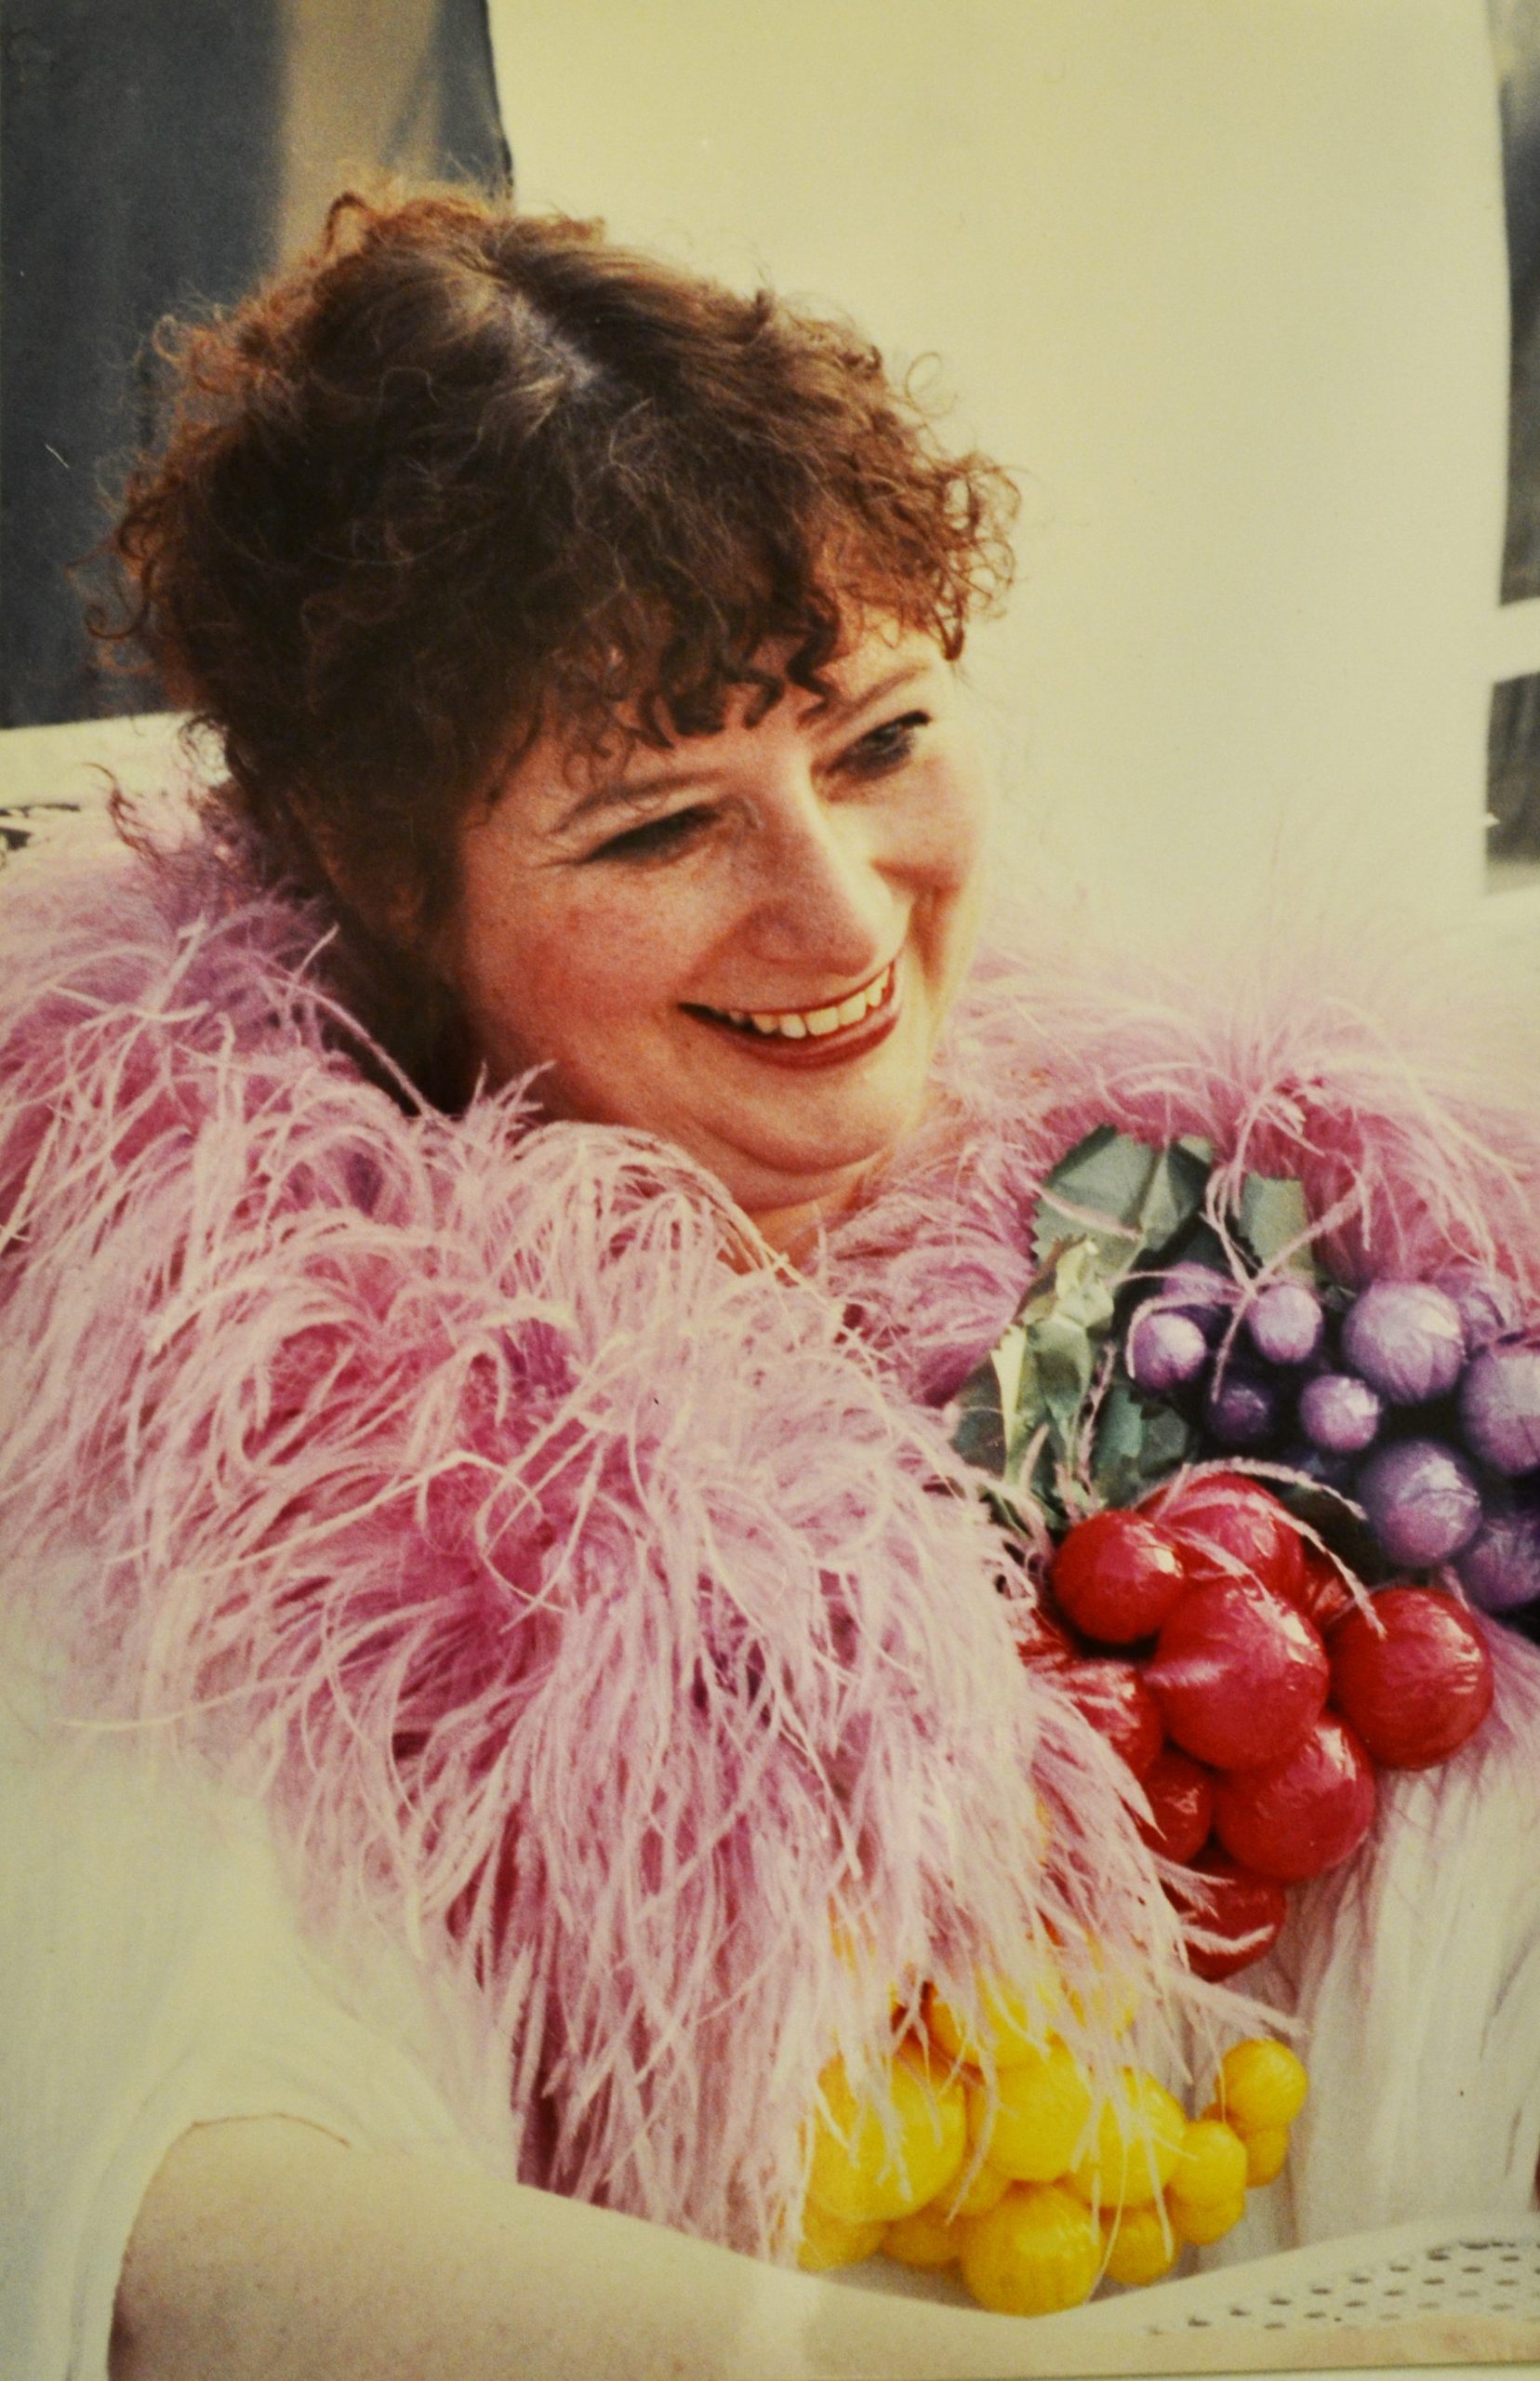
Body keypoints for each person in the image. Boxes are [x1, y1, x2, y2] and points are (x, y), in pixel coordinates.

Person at [2, 187, 1538, 2381]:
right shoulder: (199, 1407)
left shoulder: (1251, 1208)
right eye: (657, 826)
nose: (840, 917)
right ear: (382, 879)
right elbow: (171, 2211)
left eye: (883, 740)